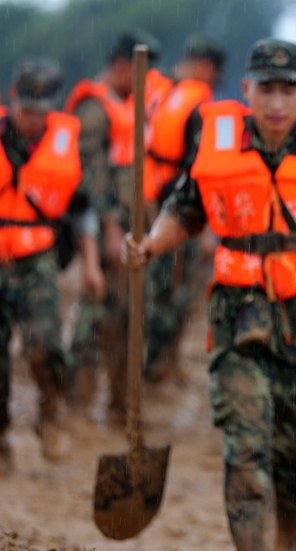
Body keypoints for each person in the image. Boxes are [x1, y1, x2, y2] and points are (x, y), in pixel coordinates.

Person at [124, 39, 296, 551]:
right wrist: (151, 245)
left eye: (289, 88)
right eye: (266, 87)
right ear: (246, 91)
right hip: (236, 313)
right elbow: (186, 208)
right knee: (245, 448)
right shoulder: (214, 143)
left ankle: (284, 550)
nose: (276, 100)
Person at [0, 58, 105, 471]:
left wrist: (92, 266)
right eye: (27, 111)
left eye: (42, 112)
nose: (34, 121)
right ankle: (1, 434)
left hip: (37, 259)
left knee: (45, 345)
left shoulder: (65, 142)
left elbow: (82, 212)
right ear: (12, 99)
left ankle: (49, 413)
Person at [63, 31, 160, 424]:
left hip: (137, 228)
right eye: (143, 70)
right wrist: (107, 228)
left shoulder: (131, 105)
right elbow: (92, 178)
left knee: (134, 317)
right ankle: (79, 402)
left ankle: (121, 406)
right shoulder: (94, 109)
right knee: (99, 317)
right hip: (111, 230)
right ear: (123, 66)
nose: (147, 77)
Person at [142, 34, 225, 380]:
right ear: (206, 68)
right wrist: (206, 232)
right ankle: (155, 367)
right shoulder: (198, 104)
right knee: (174, 294)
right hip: (176, 208)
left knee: (160, 291)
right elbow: (200, 170)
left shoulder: (160, 90)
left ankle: (156, 364)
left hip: (147, 197)